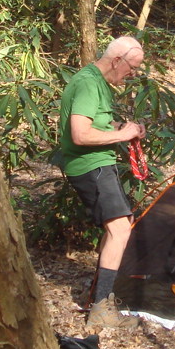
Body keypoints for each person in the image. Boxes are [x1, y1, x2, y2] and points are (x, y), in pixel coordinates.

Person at [58, 36, 145, 329]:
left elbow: (95, 125)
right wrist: (121, 136)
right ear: (117, 60)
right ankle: (101, 310)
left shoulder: (98, 83)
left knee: (119, 225)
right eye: (132, 67)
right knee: (120, 228)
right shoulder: (87, 83)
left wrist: (122, 128)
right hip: (89, 165)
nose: (132, 74)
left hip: (100, 164)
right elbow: (80, 135)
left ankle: (99, 295)